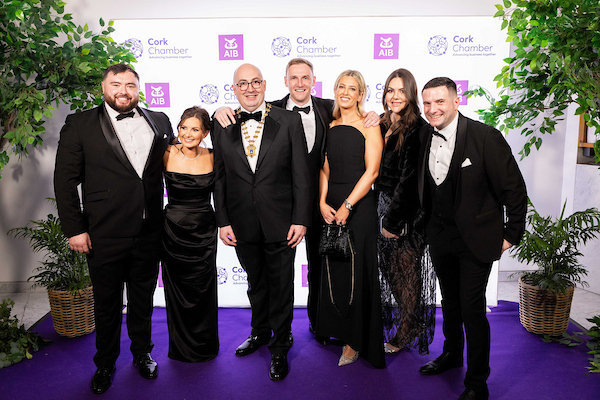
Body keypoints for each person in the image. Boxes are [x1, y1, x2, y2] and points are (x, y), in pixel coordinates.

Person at [213, 58, 379, 345]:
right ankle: (265, 331)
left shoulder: (330, 108)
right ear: (284, 81)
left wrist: (376, 115)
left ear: (314, 81)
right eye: (294, 78)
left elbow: (357, 115)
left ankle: (320, 324)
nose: (300, 83)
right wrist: (217, 110)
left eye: (305, 78)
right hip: (280, 208)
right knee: (264, 278)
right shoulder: (271, 109)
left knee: (322, 266)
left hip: (328, 202)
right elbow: (229, 134)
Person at [384, 77, 527, 400]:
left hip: (477, 240)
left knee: (471, 308)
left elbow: (514, 189)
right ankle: (451, 354)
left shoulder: (485, 137)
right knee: (449, 302)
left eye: (440, 102)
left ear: (456, 101)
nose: (433, 109)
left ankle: (477, 383)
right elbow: (410, 180)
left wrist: (511, 234)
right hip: (439, 237)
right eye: (428, 103)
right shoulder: (423, 135)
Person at [54, 63, 174, 394]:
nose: (124, 91)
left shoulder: (160, 120)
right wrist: (74, 229)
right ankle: (105, 364)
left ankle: (142, 353)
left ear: (138, 89)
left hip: (149, 230)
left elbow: (180, 159)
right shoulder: (79, 124)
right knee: (106, 304)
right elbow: (65, 180)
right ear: (103, 88)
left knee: (142, 300)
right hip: (103, 232)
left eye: (130, 85)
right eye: (116, 84)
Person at [212, 63, 311, 381]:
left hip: (282, 222)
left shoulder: (289, 120)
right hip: (241, 222)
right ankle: (260, 332)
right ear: (234, 89)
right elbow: (219, 178)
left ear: (265, 85)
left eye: (255, 82)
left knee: (281, 287)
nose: (250, 88)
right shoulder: (222, 123)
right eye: (243, 83)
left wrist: (300, 218)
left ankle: (280, 346)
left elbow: (301, 174)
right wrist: (223, 221)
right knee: (256, 284)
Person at [317, 70, 384, 368]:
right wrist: (322, 202)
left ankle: (356, 341)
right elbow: (325, 169)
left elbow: (372, 172)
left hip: (359, 207)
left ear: (361, 94)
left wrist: (347, 204)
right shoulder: (330, 126)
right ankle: (341, 329)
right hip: (332, 207)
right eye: (341, 86)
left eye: (352, 88)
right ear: (335, 90)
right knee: (338, 272)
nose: (346, 92)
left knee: (359, 273)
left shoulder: (370, 125)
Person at [376, 69, 435, 355]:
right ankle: (411, 320)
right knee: (391, 270)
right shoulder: (383, 122)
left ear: (411, 94)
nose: (395, 96)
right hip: (383, 205)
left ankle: (409, 326)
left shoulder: (417, 129)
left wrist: (393, 221)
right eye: (390, 90)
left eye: (401, 91)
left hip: (407, 213)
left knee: (407, 272)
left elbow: (409, 181)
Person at [161, 106, 219, 362]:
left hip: (204, 232)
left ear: (205, 133)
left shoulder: (214, 156)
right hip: (173, 232)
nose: (187, 133)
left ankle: (204, 346)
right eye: (183, 127)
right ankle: (180, 347)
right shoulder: (166, 153)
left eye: (195, 129)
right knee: (177, 289)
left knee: (203, 289)